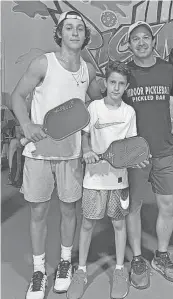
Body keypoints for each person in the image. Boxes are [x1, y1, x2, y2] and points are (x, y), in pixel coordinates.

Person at [12, 10, 102, 299]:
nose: (75, 33)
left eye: (79, 29)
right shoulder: (43, 63)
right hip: (39, 154)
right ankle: (39, 272)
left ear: (84, 36)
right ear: (60, 33)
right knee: (38, 212)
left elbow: (94, 106)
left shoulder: (87, 70)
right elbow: (16, 96)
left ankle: (64, 263)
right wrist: (26, 124)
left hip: (71, 154)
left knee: (68, 211)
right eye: (69, 28)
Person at [67, 60, 137, 299]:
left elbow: (130, 147)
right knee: (87, 224)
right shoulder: (94, 107)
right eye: (113, 82)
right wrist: (87, 150)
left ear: (126, 87)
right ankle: (81, 271)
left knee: (119, 224)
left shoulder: (129, 112)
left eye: (121, 84)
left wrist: (130, 159)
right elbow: (85, 136)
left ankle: (119, 270)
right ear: (105, 84)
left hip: (119, 181)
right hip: (93, 181)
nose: (116, 87)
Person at [124, 21, 173, 289]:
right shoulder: (123, 73)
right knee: (134, 208)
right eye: (135, 39)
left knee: (167, 206)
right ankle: (138, 259)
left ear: (153, 42)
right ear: (129, 45)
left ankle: (162, 256)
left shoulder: (168, 71)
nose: (141, 42)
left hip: (165, 151)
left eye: (146, 37)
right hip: (135, 154)